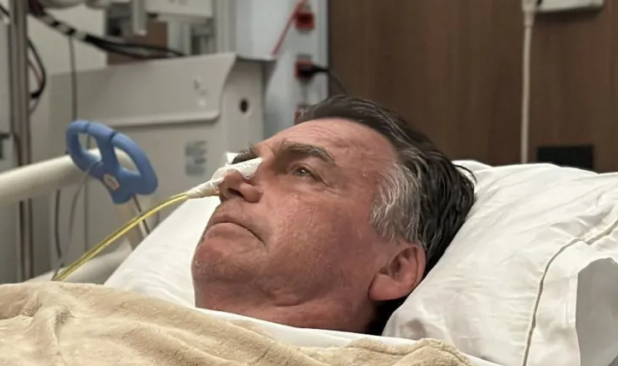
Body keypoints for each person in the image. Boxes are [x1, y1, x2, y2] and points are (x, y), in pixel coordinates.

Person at [191, 95, 474, 334]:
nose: (230, 181)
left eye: (303, 171)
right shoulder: (162, 337)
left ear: (394, 269)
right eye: (244, 166)